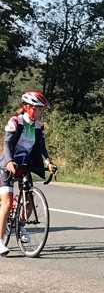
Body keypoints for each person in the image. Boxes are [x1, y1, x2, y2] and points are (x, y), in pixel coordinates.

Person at [1, 91, 58, 257]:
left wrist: (48, 163)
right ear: (29, 108)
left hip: (25, 164)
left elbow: (40, 149)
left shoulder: (38, 126)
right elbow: (7, 145)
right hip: (8, 164)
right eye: (40, 109)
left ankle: (20, 225)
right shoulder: (15, 122)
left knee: (30, 201)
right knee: (7, 200)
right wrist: (9, 161)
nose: (42, 112)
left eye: (42, 109)